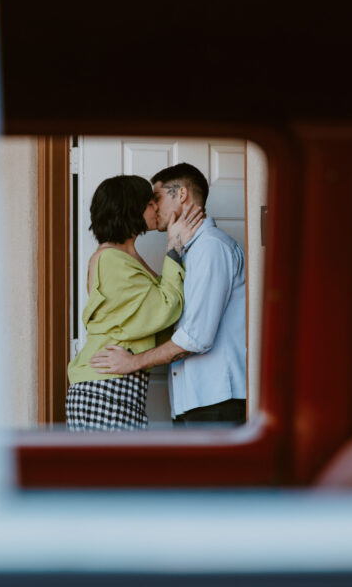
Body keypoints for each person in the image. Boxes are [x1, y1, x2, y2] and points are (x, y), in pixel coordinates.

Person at [91, 163, 246, 426]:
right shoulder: (188, 250)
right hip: (195, 399)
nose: (151, 207)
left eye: (157, 198)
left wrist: (133, 363)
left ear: (181, 194)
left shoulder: (210, 248)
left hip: (216, 400)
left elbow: (195, 338)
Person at [66, 174, 202, 430]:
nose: (155, 208)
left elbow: (164, 301)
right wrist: (174, 246)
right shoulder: (111, 261)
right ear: (131, 209)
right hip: (105, 387)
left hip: (114, 384)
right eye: (149, 202)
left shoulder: (124, 256)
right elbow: (165, 308)